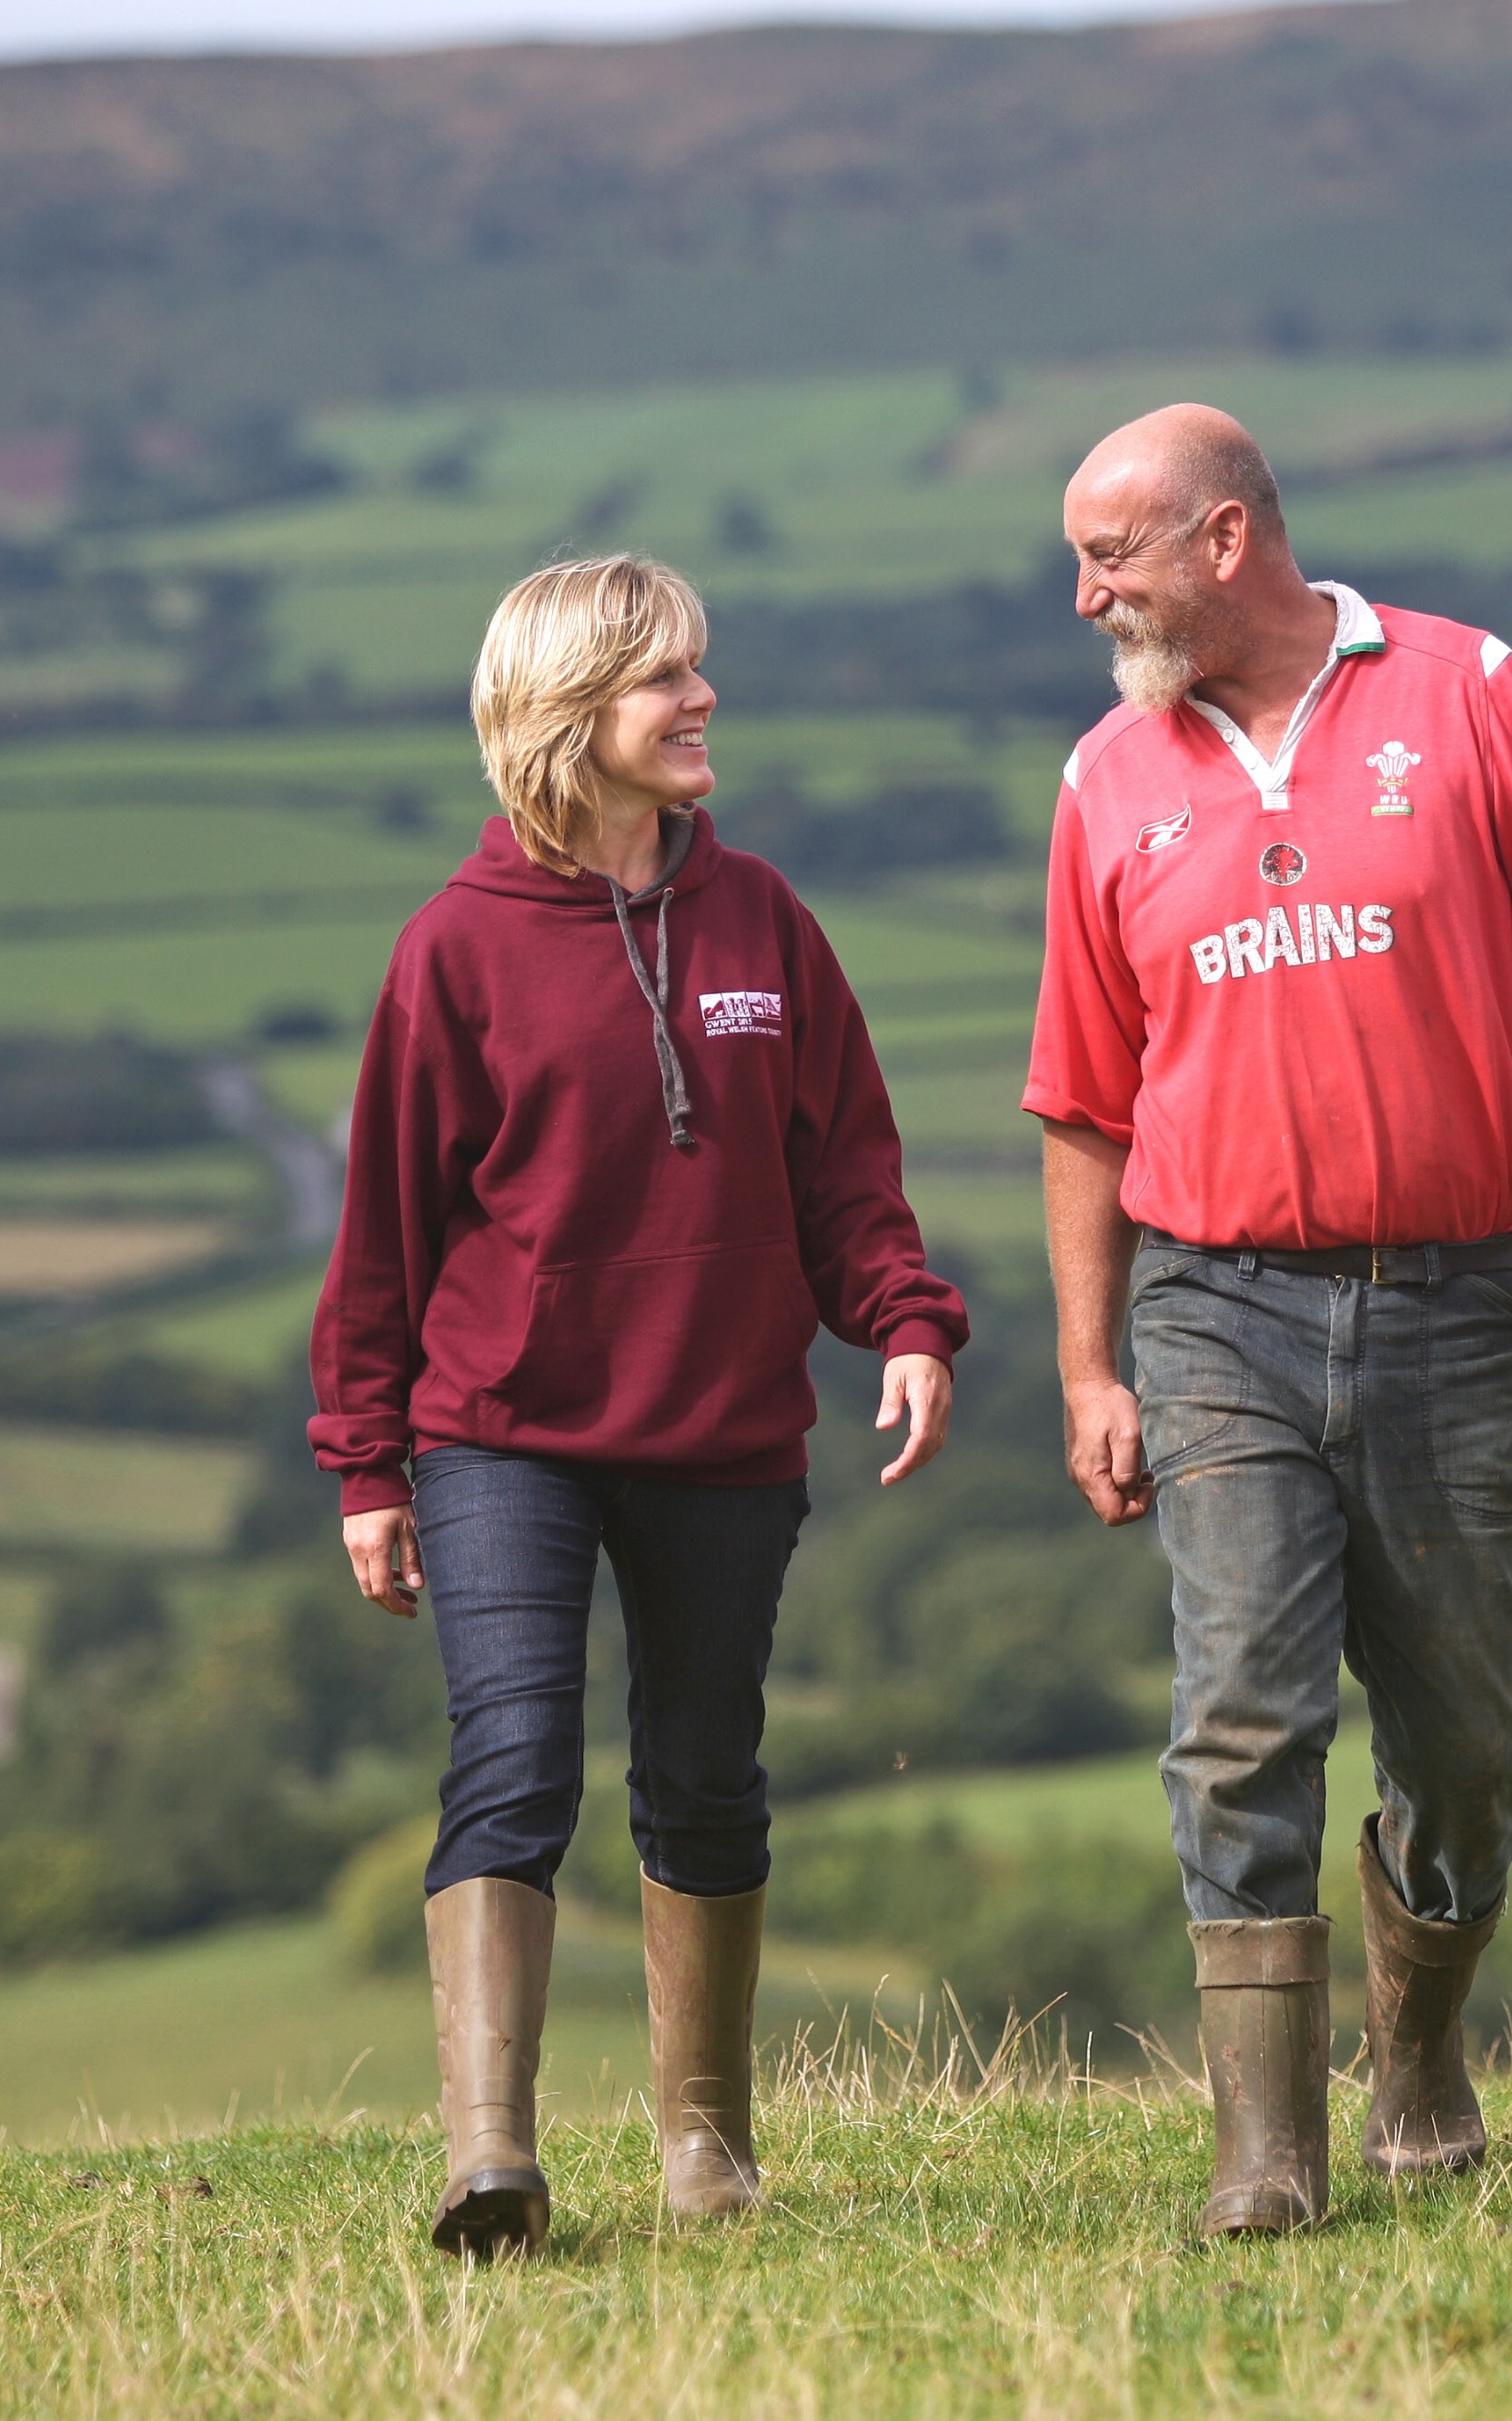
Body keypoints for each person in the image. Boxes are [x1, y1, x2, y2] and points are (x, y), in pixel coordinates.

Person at [1023, 405, 1512, 2236]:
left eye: (1112, 554)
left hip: (1459, 1305)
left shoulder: (1472, 692)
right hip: (1215, 1304)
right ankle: (1265, 2153)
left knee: (1469, 1733)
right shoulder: (1104, 776)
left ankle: (1414, 2040)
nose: (1084, 592)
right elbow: (1082, 1104)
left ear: (1227, 539)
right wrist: (1089, 1363)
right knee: (1239, 1706)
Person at [314, 553, 967, 2255]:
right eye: (666, 677)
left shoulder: (764, 923)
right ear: (565, 715)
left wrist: (901, 1318)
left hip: (724, 1425)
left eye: (699, 670)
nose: (702, 702)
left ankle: (705, 2150)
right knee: (514, 1758)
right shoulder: (451, 952)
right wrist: (365, 1460)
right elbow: (384, 1226)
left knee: (704, 1776)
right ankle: (489, 2161)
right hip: (500, 1432)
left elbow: (845, 1168)